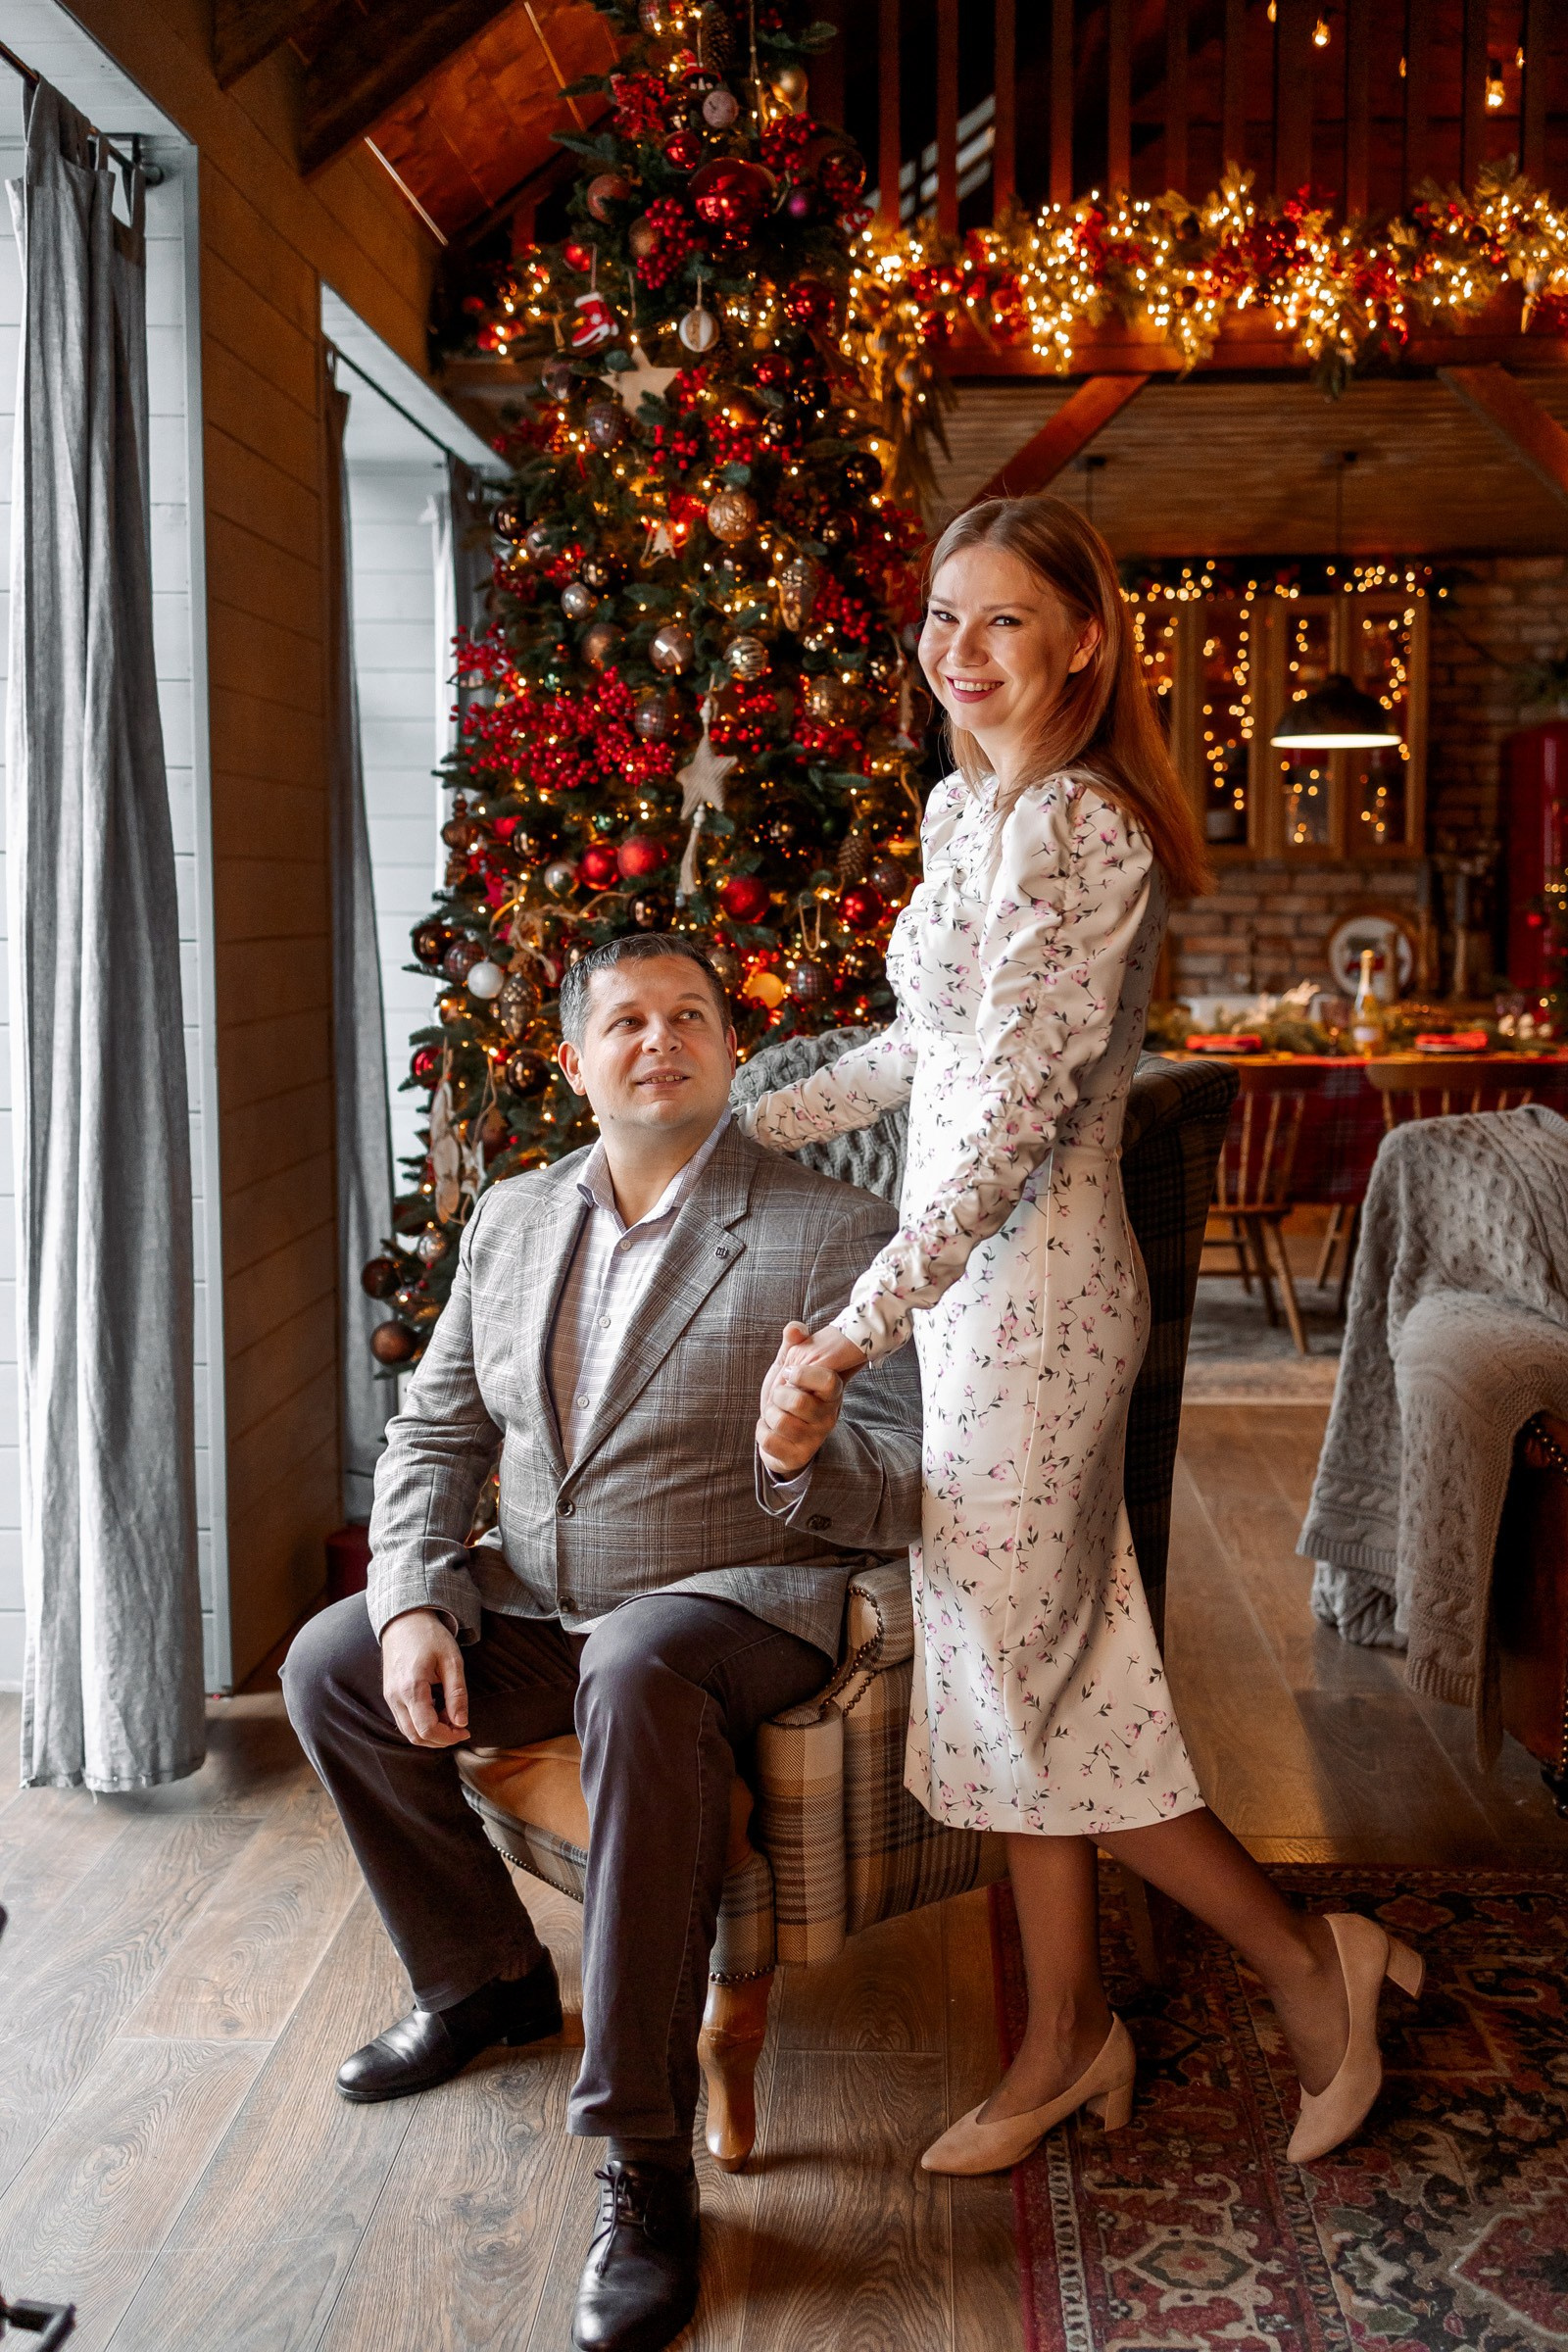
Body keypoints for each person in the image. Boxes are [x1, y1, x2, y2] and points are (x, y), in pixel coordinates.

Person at [738, 496, 1422, 2178]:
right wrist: (734, 1127)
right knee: (1033, 1676)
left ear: (1085, 643)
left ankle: (1304, 1965)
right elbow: (925, 1052)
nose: (958, 652)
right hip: (973, 1312)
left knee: (1025, 1688)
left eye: (1004, 621)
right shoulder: (966, 808)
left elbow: (1012, 1121)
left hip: (1038, 1308)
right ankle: (1069, 2031)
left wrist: (855, 1327)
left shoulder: (1081, 828)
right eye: (943, 617)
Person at [282, 934, 922, 2352]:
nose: (660, 1039)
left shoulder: (831, 1230)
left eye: (690, 1014)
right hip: (539, 1598)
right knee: (332, 1665)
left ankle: (644, 2159)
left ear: (730, 1049)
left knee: (636, 1665)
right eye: (626, 1020)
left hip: (735, 1600)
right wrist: (412, 1594)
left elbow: (905, 1477)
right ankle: (486, 1982)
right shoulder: (513, 1217)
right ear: (575, 1061)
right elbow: (437, 1429)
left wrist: (805, 1452)